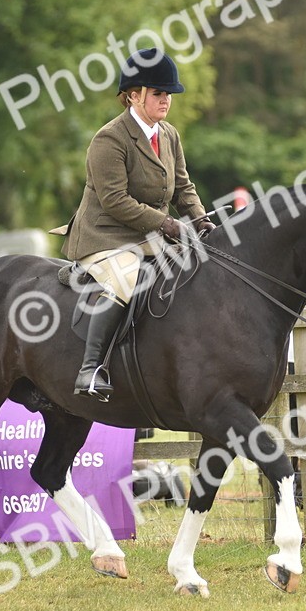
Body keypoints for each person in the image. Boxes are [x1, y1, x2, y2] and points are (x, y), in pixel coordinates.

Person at [62, 48, 214, 401]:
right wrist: (167, 225)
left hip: (151, 236)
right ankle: (90, 369)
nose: (166, 101)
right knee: (127, 277)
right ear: (134, 95)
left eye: (168, 95)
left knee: (197, 271)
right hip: (106, 237)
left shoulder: (169, 135)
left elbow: (184, 188)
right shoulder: (110, 139)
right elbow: (115, 201)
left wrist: (203, 223)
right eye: (158, 93)